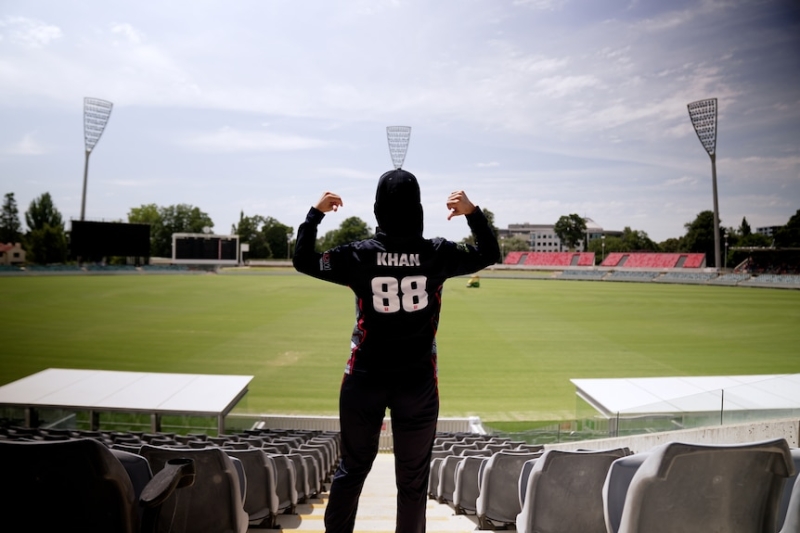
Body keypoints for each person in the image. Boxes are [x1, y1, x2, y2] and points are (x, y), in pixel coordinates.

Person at [292, 168, 500, 533]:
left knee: (352, 470)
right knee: (413, 481)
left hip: (364, 379)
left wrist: (316, 213)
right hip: (417, 384)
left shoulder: (358, 255)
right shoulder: (437, 253)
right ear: (417, 208)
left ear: (378, 209)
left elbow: (304, 259)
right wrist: (472, 212)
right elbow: (489, 252)